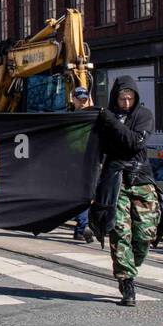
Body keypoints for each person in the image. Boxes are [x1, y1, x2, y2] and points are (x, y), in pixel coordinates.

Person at [91, 76, 157, 307]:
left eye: (130, 98)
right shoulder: (106, 117)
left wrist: (112, 122)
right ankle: (127, 281)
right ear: (115, 97)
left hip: (141, 179)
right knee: (119, 232)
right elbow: (98, 147)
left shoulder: (143, 115)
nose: (126, 102)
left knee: (145, 235)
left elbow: (135, 143)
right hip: (114, 180)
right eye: (122, 98)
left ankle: (130, 267)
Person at [69, 86, 97, 242]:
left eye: (84, 100)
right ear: (73, 99)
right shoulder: (72, 118)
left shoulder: (93, 116)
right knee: (83, 195)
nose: (82, 103)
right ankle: (82, 227)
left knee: (86, 195)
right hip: (77, 163)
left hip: (88, 161)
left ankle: (82, 228)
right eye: (79, 100)